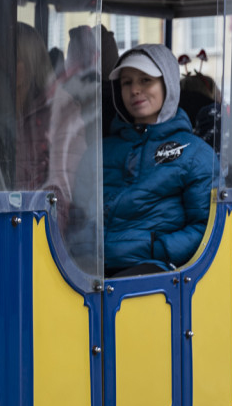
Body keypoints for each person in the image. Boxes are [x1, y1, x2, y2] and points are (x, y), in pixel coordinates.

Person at [90, 44, 216, 276]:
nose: (135, 90)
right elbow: (79, 212)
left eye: (145, 80)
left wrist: (158, 251)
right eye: (127, 83)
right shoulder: (102, 149)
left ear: (167, 84)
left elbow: (206, 226)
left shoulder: (195, 152)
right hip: (90, 268)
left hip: (153, 272)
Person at [0, 23, 86, 224]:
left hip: (45, 244)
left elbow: (63, 195)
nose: (1, 65)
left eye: (13, 58)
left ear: (33, 63)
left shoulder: (62, 116)